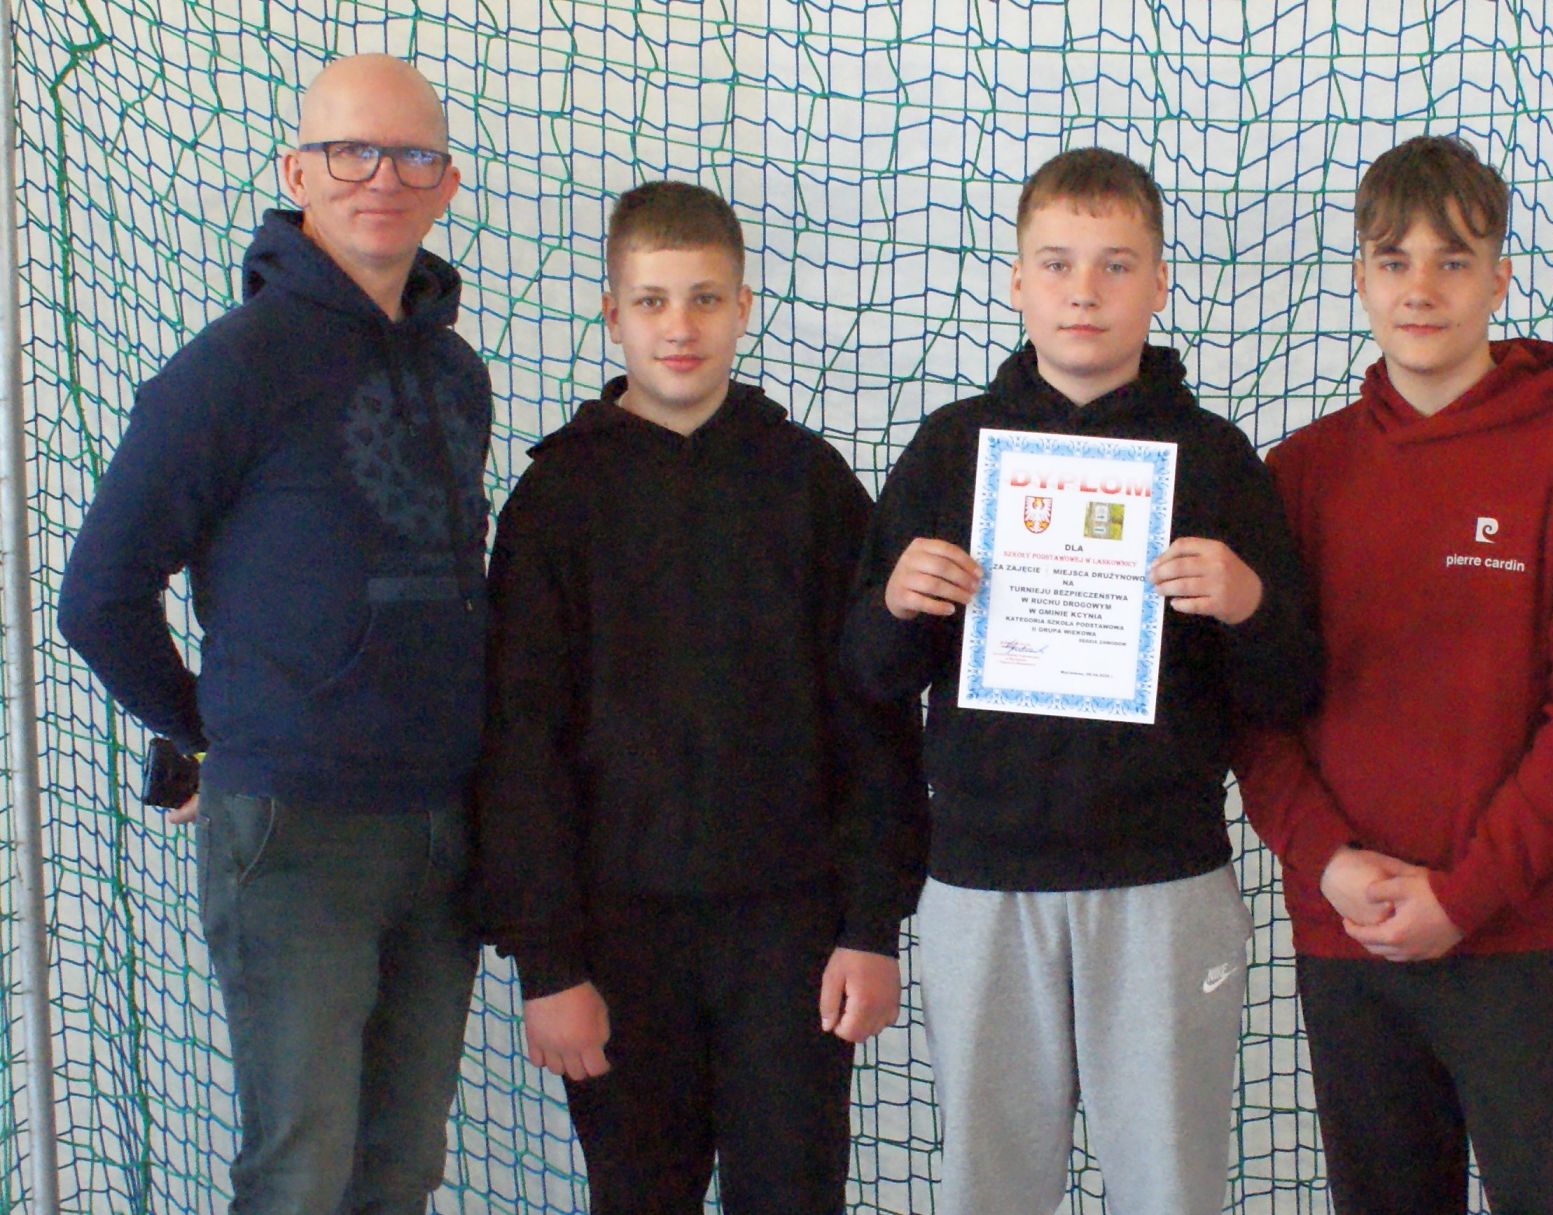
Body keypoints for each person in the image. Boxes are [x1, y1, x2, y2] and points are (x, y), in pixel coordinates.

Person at [841, 147, 1320, 1215]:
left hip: (1162, 883)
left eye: (1116, 265)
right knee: (989, 1191)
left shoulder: (1216, 460)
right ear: (1018, 281)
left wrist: (1247, 602)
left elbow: (1289, 689)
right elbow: (868, 676)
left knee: (1169, 1190)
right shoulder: (951, 448)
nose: (1084, 291)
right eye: (1057, 263)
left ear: (1159, 284)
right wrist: (896, 604)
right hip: (981, 883)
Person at [57, 54, 488, 1214]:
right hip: (294, 833)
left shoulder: (457, 373)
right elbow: (99, 596)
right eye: (351, 151)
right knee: (301, 1174)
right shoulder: (229, 369)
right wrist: (212, 734)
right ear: (298, 173)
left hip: (446, 823)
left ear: (446, 183)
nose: (381, 178)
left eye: (412, 155)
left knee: (403, 1170)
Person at [473, 180, 927, 1215]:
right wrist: (548, 964)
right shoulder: (555, 500)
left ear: (743, 307)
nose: (679, 327)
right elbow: (521, 742)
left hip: (792, 933)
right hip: (615, 938)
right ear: (611, 314)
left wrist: (871, 923)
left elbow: (873, 716)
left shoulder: (811, 484)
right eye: (652, 301)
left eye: (705, 299)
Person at [1235, 134, 1553, 1215]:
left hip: (1519, 937)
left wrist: (1465, 895)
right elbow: (1255, 703)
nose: (1420, 287)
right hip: (1348, 935)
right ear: (1361, 275)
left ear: (1499, 278)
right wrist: (1327, 862)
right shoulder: (1300, 471)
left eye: (1452, 260)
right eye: (1393, 259)